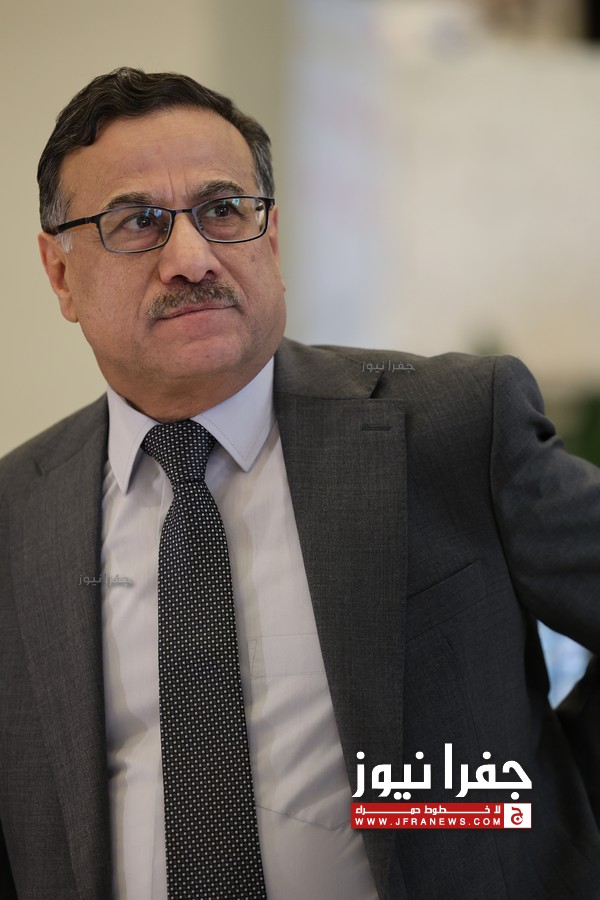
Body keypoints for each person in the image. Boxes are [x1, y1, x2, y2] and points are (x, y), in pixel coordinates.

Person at [1, 67, 599, 900]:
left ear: (270, 240)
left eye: (222, 210)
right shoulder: (16, 516)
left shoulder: (454, 424)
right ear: (60, 275)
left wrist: (563, 816)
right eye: (138, 222)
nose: (191, 259)